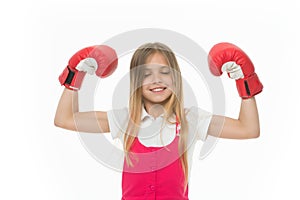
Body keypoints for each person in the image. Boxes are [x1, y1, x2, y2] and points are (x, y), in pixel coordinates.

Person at [54, 42, 262, 200]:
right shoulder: (125, 120)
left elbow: (248, 128)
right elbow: (65, 119)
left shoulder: (191, 119)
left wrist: (245, 83)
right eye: (146, 74)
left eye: (164, 72)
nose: (157, 80)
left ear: (175, 78)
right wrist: (74, 76)